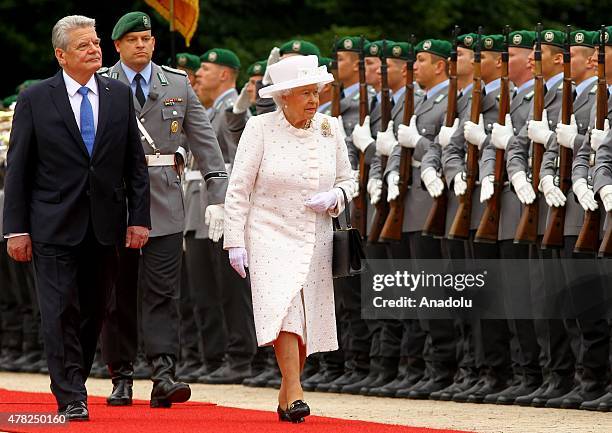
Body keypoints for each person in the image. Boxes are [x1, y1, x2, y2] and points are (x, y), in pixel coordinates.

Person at [2, 15, 151, 420]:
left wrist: (139, 219)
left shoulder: (118, 95)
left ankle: (75, 377)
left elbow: (134, 165)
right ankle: (70, 393)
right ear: (61, 54)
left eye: (97, 42)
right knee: (59, 309)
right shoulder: (36, 99)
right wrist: (15, 229)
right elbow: (19, 169)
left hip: (105, 224)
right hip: (50, 225)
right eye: (84, 45)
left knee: (95, 309)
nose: (95, 49)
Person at [99, 11, 228, 409]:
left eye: (147, 38)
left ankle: (163, 373)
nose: (142, 44)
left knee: (161, 293)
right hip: (115, 203)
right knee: (117, 294)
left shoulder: (176, 83)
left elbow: (205, 142)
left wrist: (218, 194)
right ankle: (121, 375)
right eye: (133, 39)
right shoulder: (102, 83)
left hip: (165, 202)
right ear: (117, 46)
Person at [223, 54, 354, 422]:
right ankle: (296, 391)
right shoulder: (260, 128)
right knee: (285, 310)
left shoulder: (330, 128)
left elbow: (348, 180)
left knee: (306, 315)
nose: (313, 99)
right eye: (304, 93)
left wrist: (336, 197)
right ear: (283, 97)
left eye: (315, 92)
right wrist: (235, 239)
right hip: (267, 232)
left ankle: (285, 396)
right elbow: (239, 189)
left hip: (315, 233)